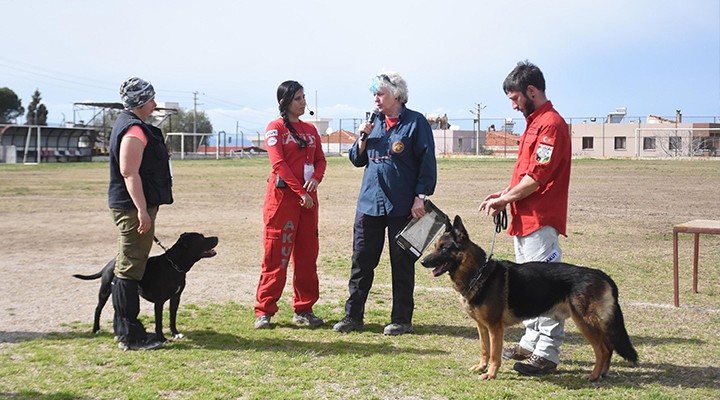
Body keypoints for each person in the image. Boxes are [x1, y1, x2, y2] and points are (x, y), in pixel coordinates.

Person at [479, 61, 572, 375]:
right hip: (524, 219)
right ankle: (531, 343)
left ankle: (547, 353)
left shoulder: (551, 125)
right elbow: (523, 175)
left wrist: (505, 198)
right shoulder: (534, 123)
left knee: (545, 290)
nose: (514, 104)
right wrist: (503, 194)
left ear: (532, 91)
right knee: (529, 288)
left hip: (540, 220)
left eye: (516, 98)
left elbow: (537, 178)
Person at [333, 71, 437, 336]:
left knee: (402, 263)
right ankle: (353, 316)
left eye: (380, 94)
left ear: (397, 95)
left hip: (403, 205)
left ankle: (401, 319)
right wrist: (362, 137)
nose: (376, 99)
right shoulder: (372, 122)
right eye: (374, 94)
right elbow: (357, 160)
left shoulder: (416, 122)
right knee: (361, 261)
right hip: (370, 203)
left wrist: (420, 196)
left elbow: (427, 163)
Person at [254, 80, 327, 330]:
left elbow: (320, 160)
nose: (303, 102)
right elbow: (279, 165)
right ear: (284, 102)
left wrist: (316, 179)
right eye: (298, 98)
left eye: (304, 97)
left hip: (308, 202)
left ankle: (304, 309)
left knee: (307, 258)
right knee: (276, 257)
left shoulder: (310, 130)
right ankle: (264, 310)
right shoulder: (274, 128)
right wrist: (299, 192)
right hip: (284, 202)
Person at [108, 77, 173, 351]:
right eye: (151, 98)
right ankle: (130, 334)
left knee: (130, 264)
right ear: (140, 101)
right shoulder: (133, 130)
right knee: (130, 268)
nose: (155, 103)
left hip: (134, 205)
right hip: (132, 207)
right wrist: (141, 211)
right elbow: (128, 172)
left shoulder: (131, 125)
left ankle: (123, 328)